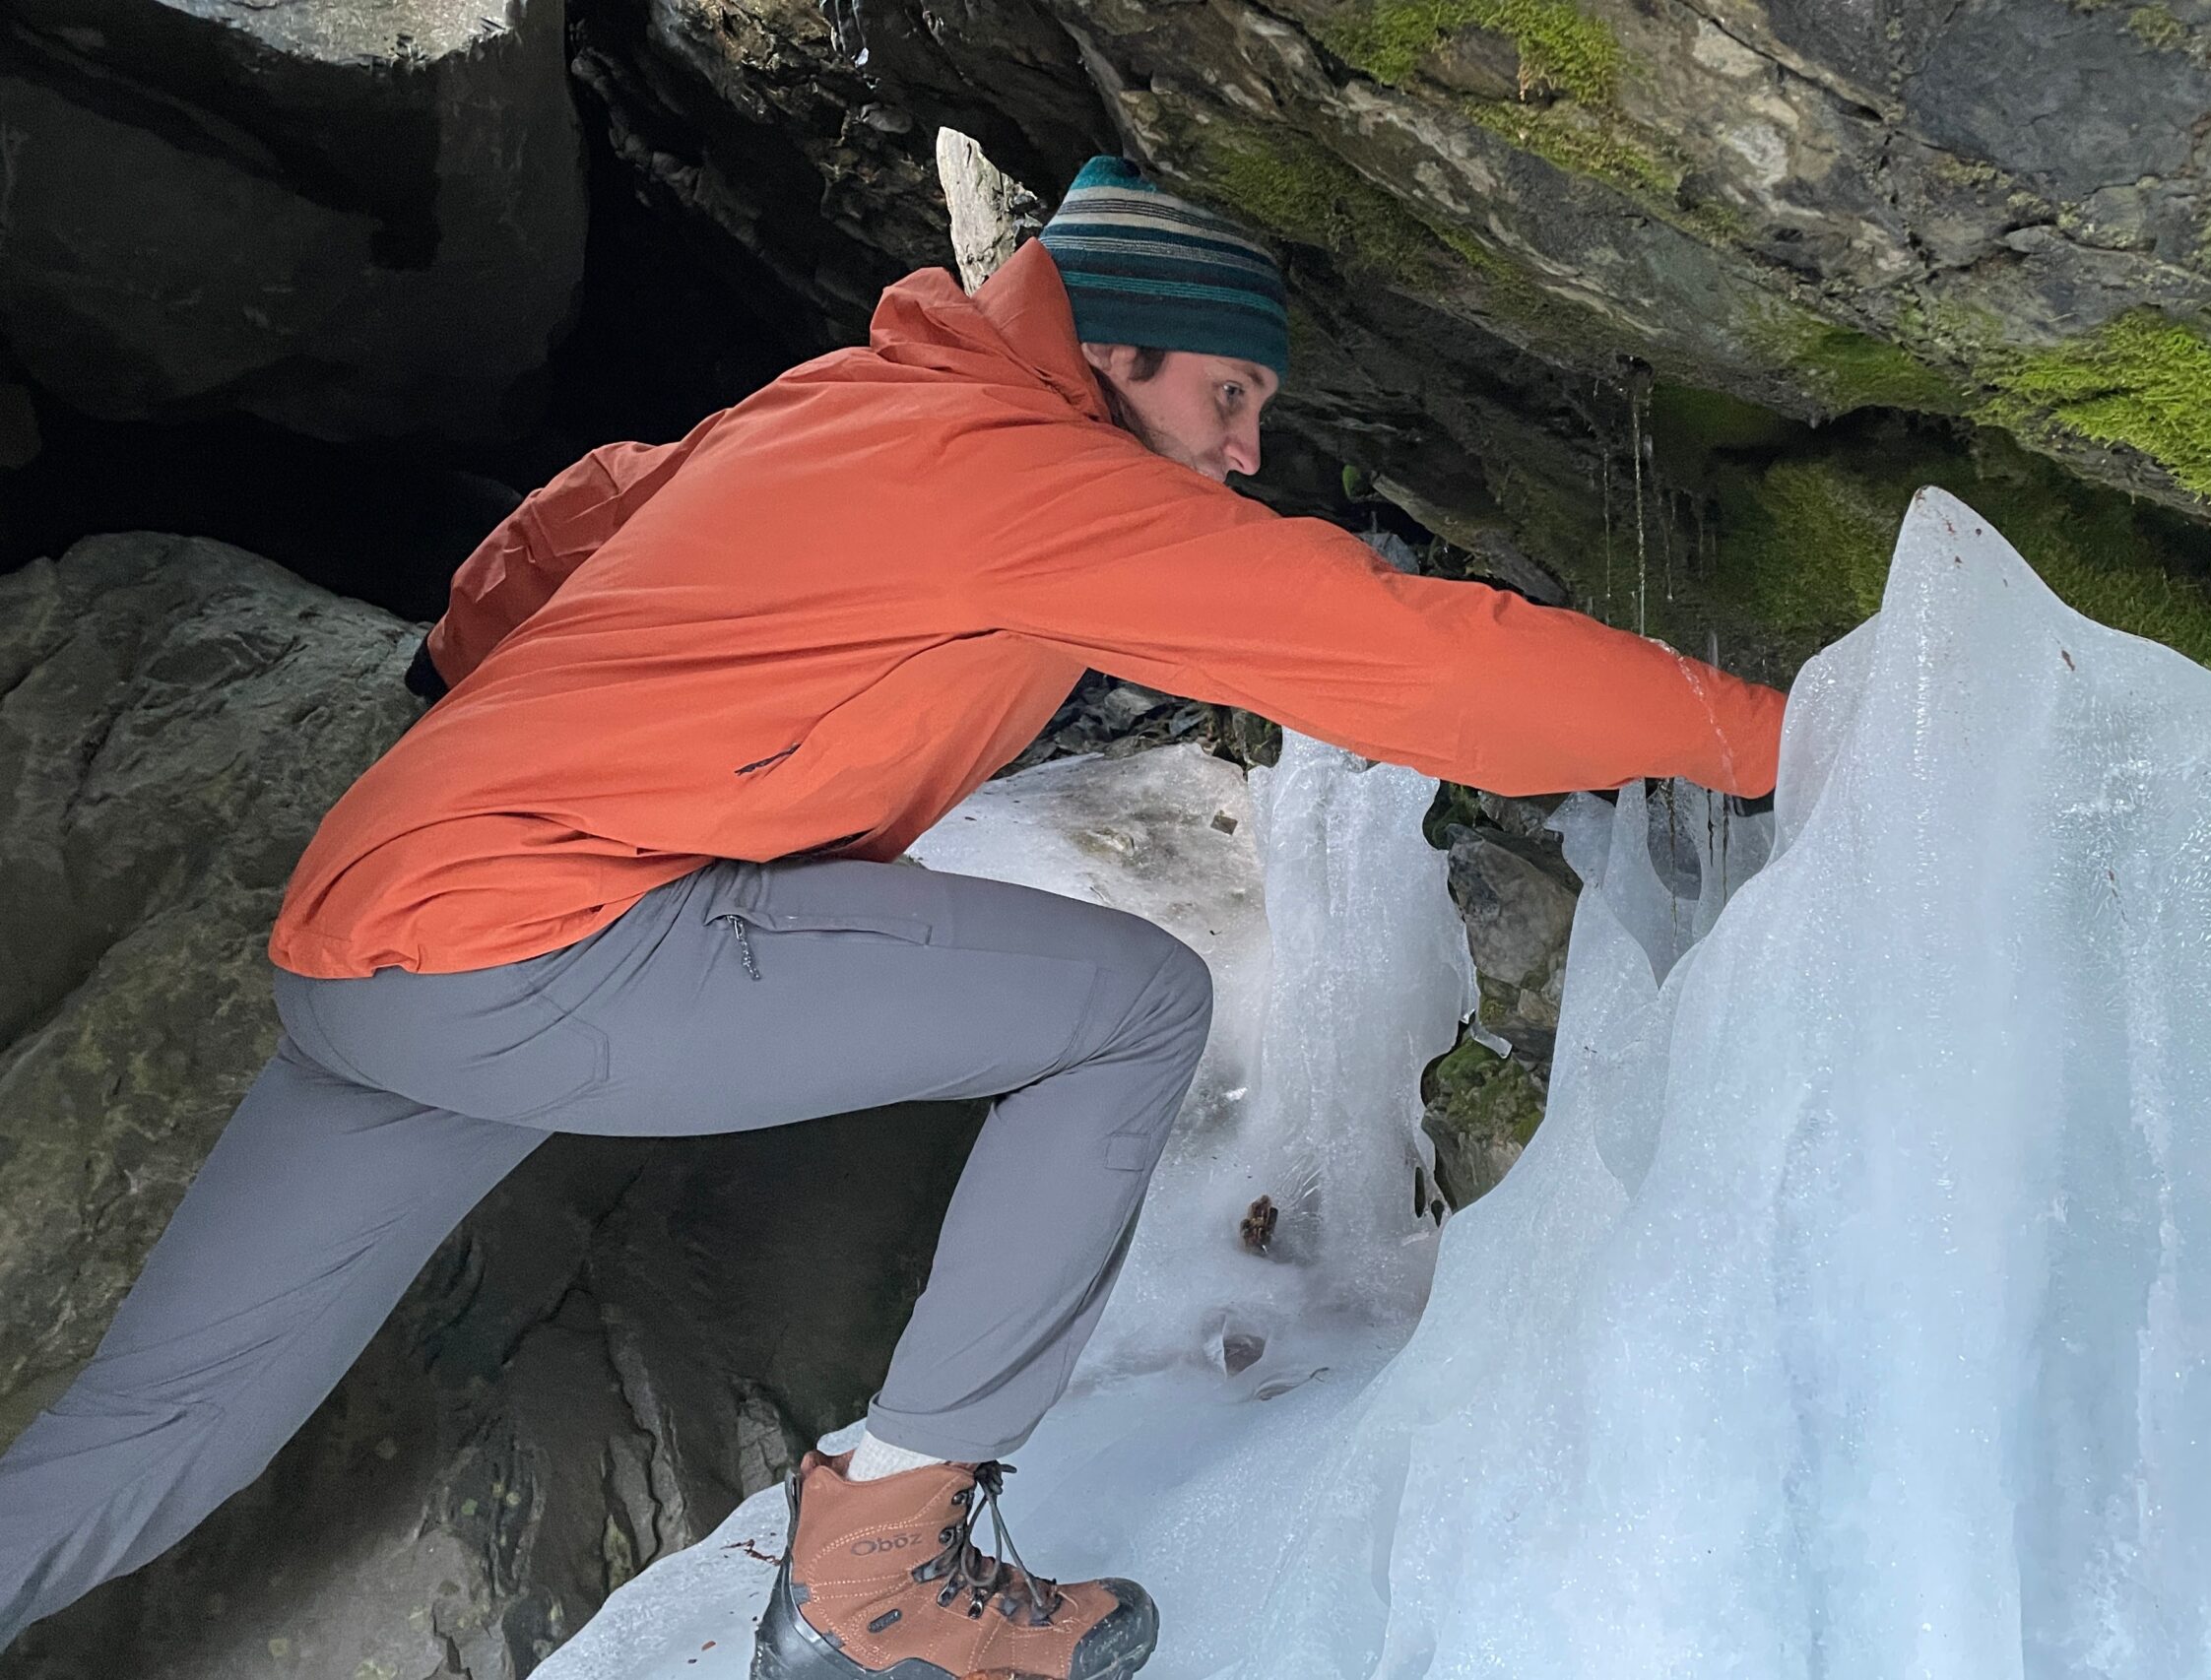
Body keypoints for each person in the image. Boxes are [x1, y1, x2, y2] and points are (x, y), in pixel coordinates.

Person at [0, 156, 1786, 1678]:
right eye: (1231, 398)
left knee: (156, 1432)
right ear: (1118, 348)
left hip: (373, 941)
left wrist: (486, 681)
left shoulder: (854, 398)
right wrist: (1768, 736)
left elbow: (591, 506)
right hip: (540, 943)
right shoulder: (1020, 476)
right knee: (1127, 1004)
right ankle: (883, 1556)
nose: (1246, 453)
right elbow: (1410, 658)